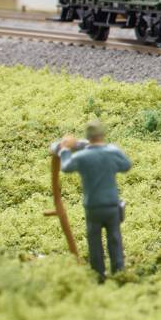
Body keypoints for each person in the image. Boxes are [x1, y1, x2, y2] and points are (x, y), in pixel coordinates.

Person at [51, 120, 131, 280]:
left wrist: (66, 149)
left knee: (94, 241)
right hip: (111, 205)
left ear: (88, 137)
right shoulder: (111, 152)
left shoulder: (82, 157)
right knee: (115, 238)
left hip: (93, 206)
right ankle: (118, 270)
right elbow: (126, 165)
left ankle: (98, 273)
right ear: (103, 135)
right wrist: (114, 149)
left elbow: (66, 166)